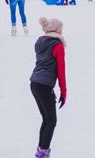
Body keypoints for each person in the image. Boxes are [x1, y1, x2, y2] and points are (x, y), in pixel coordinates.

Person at [29, 17, 67, 158]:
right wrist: (64, 92)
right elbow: (60, 72)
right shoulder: (57, 45)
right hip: (43, 85)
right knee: (51, 121)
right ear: (57, 30)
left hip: (35, 84)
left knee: (46, 119)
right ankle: (43, 153)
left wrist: (51, 90)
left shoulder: (40, 42)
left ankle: (41, 151)